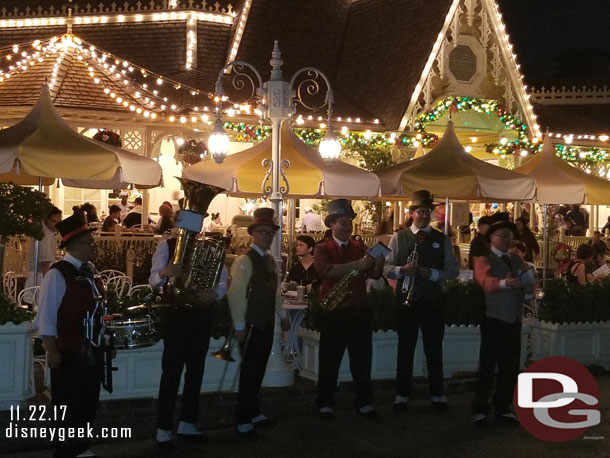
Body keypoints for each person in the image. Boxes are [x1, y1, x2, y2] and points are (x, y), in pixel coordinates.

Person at [34, 208, 109, 457]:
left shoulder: (89, 270)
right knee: (68, 402)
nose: (93, 245)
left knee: (87, 399)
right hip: (69, 349)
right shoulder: (58, 273)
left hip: (91, 347)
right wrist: (51, 348)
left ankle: (81, 446)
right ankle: (66, 449)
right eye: (89, 242)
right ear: (74, 244)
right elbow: (46, 314)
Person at [151, 219, 229, 446]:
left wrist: (214, 294)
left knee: (196, 372)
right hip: (176, 315)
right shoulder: (167, 245)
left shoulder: (209, 247)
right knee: (171, 373)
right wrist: (167, 271)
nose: (194, 230)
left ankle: (188, 422)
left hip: (201, 315)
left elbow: (222, 281)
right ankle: (163, 427)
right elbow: (153, 281)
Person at [384, 190, 459, 412]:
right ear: (411, 213)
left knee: (434, 348)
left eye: (428, 211)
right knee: (405, 348)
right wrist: (401, 270)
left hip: (433, 299)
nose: (425, 215)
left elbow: (452, 270)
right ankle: (402, 394)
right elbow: (387, 267)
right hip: (406, 299)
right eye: (420, 211)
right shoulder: (399, 237)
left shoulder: (441, 238)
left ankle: (437, 394)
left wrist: (433, 274)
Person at [314, 199, 384, 420]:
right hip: (335, 311)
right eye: (342, 222)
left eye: (349, 222)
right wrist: (357, 265)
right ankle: (325, 403)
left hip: (358, 310)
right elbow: (327, 271)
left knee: (362, 360)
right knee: (329, 360)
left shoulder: (358, 247)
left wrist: (379, 262)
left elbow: (372, 275)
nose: (347, 227)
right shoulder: (322, 248)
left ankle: (364, 402)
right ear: (331, 225)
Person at [227, 208, 290, 437]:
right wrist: (240, 326)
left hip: (264, 323)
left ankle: (253, 411)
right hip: (252, 324)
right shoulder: (245, 260)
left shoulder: (269, 260)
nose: (267, 236)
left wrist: (282, 315)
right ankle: (243, 417)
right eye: (263, 232)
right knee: (249, 372)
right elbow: (236, 295)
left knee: (258, 369)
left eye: (270, 233)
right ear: (253, 233)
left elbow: (273, 292)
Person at [471, 214, 536, 427]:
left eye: (509, 235)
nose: (508, 239)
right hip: (493, 317)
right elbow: (485, 281)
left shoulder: (517, 259)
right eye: (503, 235)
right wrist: (506, 284)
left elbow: (526, 284)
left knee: (510, 366)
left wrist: (527, 290)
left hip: (513, 319)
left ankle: (502, 407)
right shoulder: (483, 258)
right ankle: (480, 409)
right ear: (492, 238)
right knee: (488, 366)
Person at [25, 206, 62, 288]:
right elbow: (45, 264)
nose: (58, 224)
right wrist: (48, 285)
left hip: (39, 275)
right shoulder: (45, 236)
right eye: (54, 221)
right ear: (46, 221)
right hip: (40, 277)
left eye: (59, 221)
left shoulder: (47, 234)